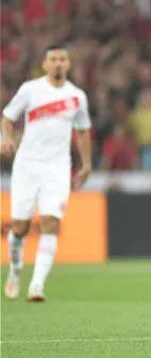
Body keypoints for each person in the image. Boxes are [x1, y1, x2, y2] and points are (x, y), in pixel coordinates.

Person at [1, 44, 93, 302]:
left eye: (62, 59)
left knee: (51, 222)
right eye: (53, 60)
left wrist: (86, 164)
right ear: (45, 64)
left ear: (69, 64)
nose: (58, 64)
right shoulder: (30, 90)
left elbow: (83, 131)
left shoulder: (77, 96)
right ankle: (16, 269)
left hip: (57, 167)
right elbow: (8, 117)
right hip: (27, 165)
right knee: (20, 227)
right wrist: (5, 138)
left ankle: (37, 285)